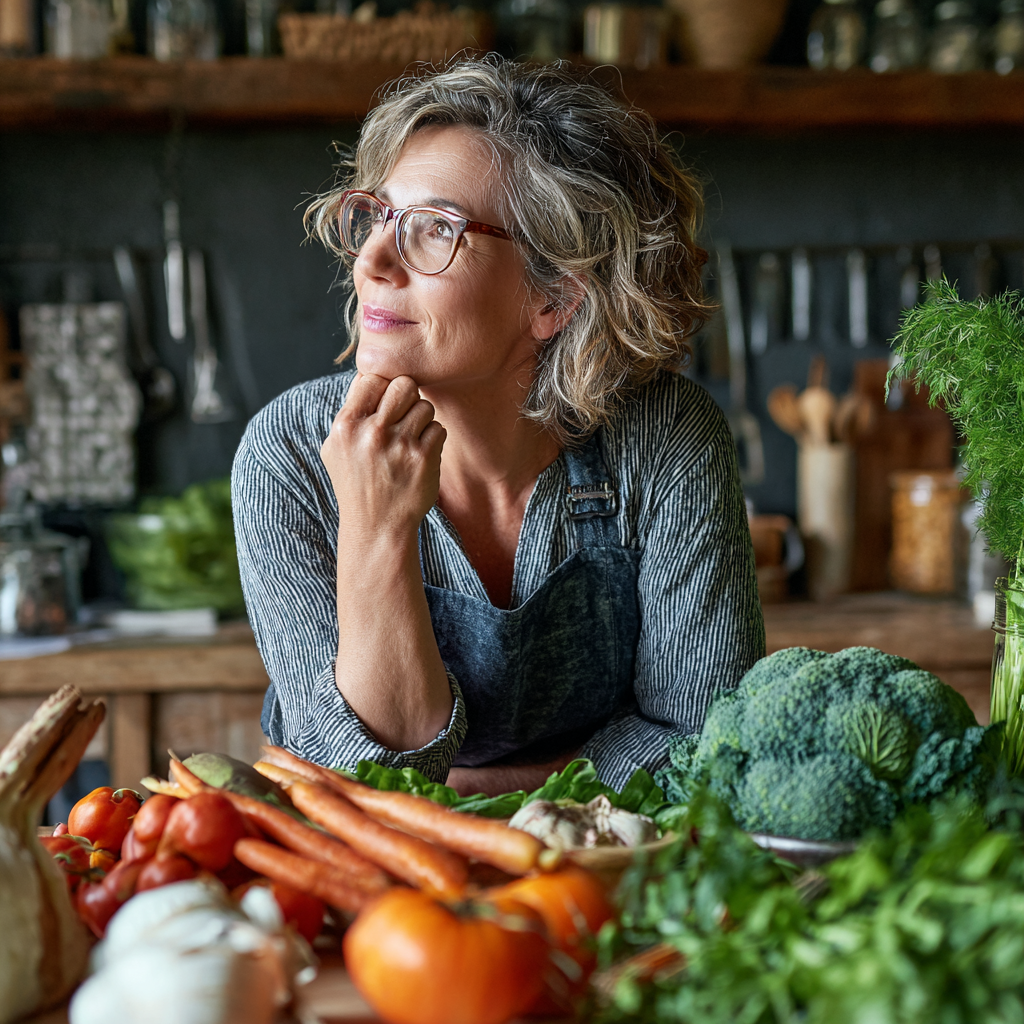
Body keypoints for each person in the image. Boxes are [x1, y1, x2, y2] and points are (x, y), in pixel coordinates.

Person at [232, 57, 764, 796]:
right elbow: (369, 782)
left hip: (609, 870)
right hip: (376, 887)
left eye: (435, 230)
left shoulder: (665, 437)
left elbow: (705, 740)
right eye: (379, 216)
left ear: (554, 299)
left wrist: (483, 791)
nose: (374, 262)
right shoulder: (287, 453)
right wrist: (376, 527)